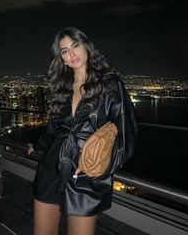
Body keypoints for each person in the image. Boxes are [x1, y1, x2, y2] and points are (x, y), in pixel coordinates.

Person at [31, 27, 137, 235]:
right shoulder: (61, 88)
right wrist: (37, 146)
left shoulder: (110, 85)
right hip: (51, 169)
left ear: (86, 46)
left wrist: (101, 167)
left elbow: (128, 135)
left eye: (75, 45)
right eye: (64, 51)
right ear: (61, 59)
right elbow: (54, 130)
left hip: (86, 176)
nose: (71, 53)